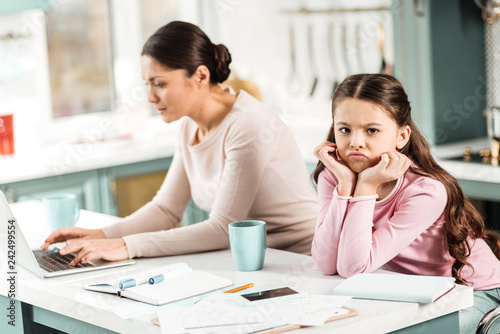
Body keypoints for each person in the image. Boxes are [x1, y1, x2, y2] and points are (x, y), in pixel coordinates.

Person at [42, 21, 317, 262]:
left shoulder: (249, 126)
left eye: (159, 84)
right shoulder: (189, 125)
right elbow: (166, 209)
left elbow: (222, 228)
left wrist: (128, 245)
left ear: (200, 76)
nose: (150, 97)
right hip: (254, 261)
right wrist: (101, 235)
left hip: (303, 262)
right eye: (146, 84)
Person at [311, 73, 500, 333]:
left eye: (372, 130)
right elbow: (326, 263)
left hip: (472, 291)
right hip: (409, 288)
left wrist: (365, 186)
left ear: (402, 137)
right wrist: (345, 186)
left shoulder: (426, 191)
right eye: (345, 129)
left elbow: (353, 268)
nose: (355, 142)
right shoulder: (334, 176)